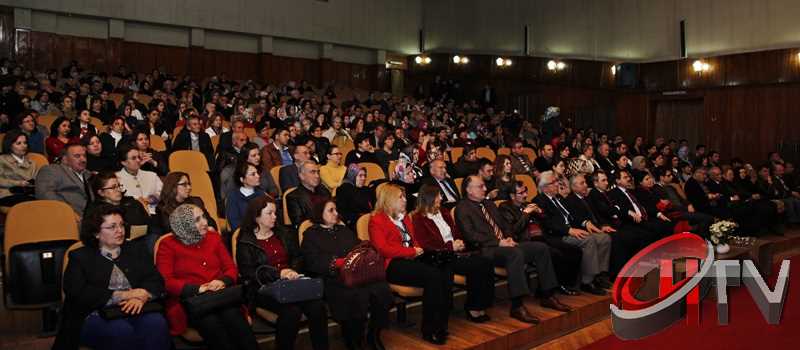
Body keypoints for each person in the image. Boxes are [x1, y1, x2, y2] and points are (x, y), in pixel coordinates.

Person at [455, 175, 572, 324]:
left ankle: (547, 295)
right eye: (480, 186)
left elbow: (505, 226)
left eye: (484, 185)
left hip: (506, 244)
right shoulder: (462, 208)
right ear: (468, 190)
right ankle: (517, 305)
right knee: (514, 253)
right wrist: (499, 242)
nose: (485, 189)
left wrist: (509, 238)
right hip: (486, 250)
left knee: (541, 248)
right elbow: (471, 236)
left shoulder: (489, 204)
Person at [54, 204, 170, 350]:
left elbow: (155, 279)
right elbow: (77, 292)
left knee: (156, 323)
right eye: (112, 227)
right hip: (93, 313)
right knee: (121, 331)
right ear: (96, 233)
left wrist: (143, 295)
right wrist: (123, 295)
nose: (120, 231)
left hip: (136, 307)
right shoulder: (80, 257)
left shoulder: (136, 249)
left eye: (121, 225)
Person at [156, 204, 259, 350]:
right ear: (185, 224)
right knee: (213, 326)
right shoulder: (167, 245)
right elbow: (165, 281)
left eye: (204, 216)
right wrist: (198, 289)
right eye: (197, 220)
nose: (205, 222)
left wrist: (222, 281)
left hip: (221, 296)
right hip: (192, 302)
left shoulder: (213, 237)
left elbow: (230, 268)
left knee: (236, 320)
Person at [236, 197, 329, 350]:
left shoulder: (283, 232)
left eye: (275, 212)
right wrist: (278, 274)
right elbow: (249, 274)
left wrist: (293, 271)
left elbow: (298, 257)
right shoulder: (246, 241)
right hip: (264, 289)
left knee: (317, 306)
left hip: (292, 282)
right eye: (269, 213)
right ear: (256, 217)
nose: (275, 216)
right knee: (292, 312)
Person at [369, 183, 452, 345]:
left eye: (404, 197)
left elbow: (415, 241)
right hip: (393, 264)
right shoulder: (376, 220)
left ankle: (441, 323)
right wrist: (412, 252)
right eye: (400, 197)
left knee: (444, 267)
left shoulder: (405, 217)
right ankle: (430, 329)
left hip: (412, 258)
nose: (405, 200)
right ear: (389, 199)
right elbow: (383, 249)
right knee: (432, 275)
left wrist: (421, 251)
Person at [302, 200, 391, 350]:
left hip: (356, 273)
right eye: (331, 210)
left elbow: (357, 247)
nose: (336, 213)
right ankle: (354, 340)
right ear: (319, 213)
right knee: (353, 293)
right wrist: (337, 263)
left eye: (336, 209)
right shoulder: (311, 235)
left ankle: (373, 334)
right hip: (332, 277)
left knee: (382, 289)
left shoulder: (343, 230)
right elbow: (312, 261)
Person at [411, 184, 496, 323]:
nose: (441, 198)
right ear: (430, 198)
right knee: (477, 266)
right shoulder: (419, 218)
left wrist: (459, 241)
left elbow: (455, 232)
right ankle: (473, 308)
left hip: (456, 251)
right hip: (441, 256)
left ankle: (481, 304)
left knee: (485, 262)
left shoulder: (444, 212)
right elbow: (426, 244)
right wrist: (451, 246)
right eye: (438, 195)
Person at [498, 181, 583, 294]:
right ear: (512, 196)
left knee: (574, 250)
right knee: (555, 254)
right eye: (521, 193)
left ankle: (566, 283)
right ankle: (548, 289)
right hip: (527, 241)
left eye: (525, 190)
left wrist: (540, 211)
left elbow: (547, 220)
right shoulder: (505, 208)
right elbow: (514, 231)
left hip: (543, 237)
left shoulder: (527, 204)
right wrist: (526, 214)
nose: (525, 195)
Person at [535, 173, 611, 295]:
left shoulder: (558, 198)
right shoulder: (539, 201)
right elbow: (548, 223)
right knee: (589, 240)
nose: (557, 184)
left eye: (556, 181)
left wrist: (584, 222)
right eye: (553, 183)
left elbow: (572, 215)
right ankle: (587, 281)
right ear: (544, 188)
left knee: (604, 238)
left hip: (572, 230)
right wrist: (568, 230)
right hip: (558, 235)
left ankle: (599, 275)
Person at [86, 172, 150, 238]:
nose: (118, 189)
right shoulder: (95, 211)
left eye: (119, 186)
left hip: (145, 238)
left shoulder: (132, 202)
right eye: (113, 187)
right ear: (101, 192)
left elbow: (149, 223)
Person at [36, 143, 93, 215]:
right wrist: (68, 212)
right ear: (65, 159)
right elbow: (45, 194)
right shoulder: (52, 170)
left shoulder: (89, 174)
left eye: (84, 156)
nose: (83, 159)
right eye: (77, 156)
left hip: (95, 217)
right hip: (67, 216)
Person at [115, 145, 163, 215]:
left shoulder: (152, 175)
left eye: (139, 157)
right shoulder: (116, 178)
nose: (138, 160)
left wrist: (150, 200)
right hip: (131, 216)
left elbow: (163, 193)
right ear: (124, 162)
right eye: (133, 158)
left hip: (155, 214)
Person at [286, 161, 332, 228]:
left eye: (318, 172)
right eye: (312, 172)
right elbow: (301, 225)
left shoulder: (324, 191)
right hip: (313, 233)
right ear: (302, 176)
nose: (317, 176)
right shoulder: (293, 197)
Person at [0, 129, 38, 206]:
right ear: (9, 145)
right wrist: (18, 183)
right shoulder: (2, 159)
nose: (23, 146)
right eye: (18, 143)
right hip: (8, 193)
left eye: (25, 143)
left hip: (29, 194)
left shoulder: (32, 163)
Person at [226, 162, 267, 231]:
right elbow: (234, 223)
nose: (258, 176)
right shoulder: (233, 196)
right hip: (244, 235)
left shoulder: (261, 193)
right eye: (253, 174)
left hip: (263, 231)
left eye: (257, 173)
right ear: (242, 179)